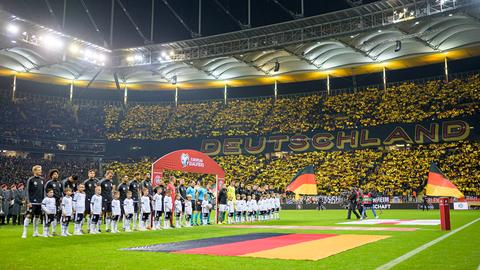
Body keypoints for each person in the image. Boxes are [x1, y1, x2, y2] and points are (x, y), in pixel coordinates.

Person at [22, 165, 45, 238]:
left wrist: (43, 201)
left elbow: (43, 191)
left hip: (40, 202)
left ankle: (35, 232)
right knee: (29, 215)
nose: (40, 171)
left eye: (40, 170)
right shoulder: (31, 179)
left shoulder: (42, 180)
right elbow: (27, 191)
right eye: (39, 170)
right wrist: (28, 201)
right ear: (34, 171)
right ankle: (24, 232)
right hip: (32, 202)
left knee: (37, 216)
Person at [45, 169, 63, 235]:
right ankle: (46, 231)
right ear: (51, 175)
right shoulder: (49, 183)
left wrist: (61, 198)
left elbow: (62, 192)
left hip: (58, 202)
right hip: (51, 202)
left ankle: (53, 231)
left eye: (57, 174)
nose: (56, 175)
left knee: (56, 216)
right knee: (50, 216)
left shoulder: (60, 183)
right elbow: (46, 192)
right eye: (55, 174)